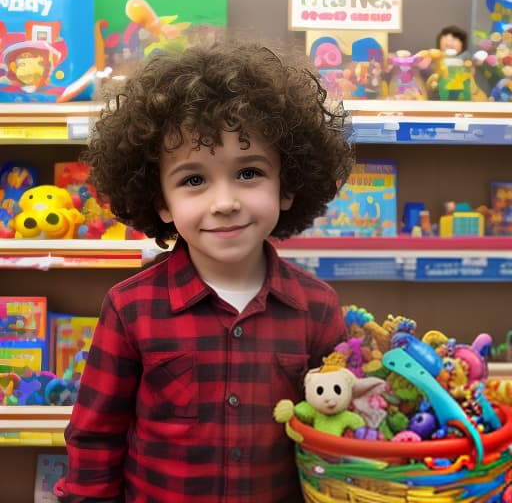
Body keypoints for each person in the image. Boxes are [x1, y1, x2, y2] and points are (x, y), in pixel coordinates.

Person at [54, 38, 354, 503]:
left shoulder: (317, 308)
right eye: (193, 180)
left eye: (249, 172)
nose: (226, 202)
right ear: (161, 202)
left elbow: (336, 437)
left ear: (287, 185)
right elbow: (96, 439)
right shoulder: (130, 309)